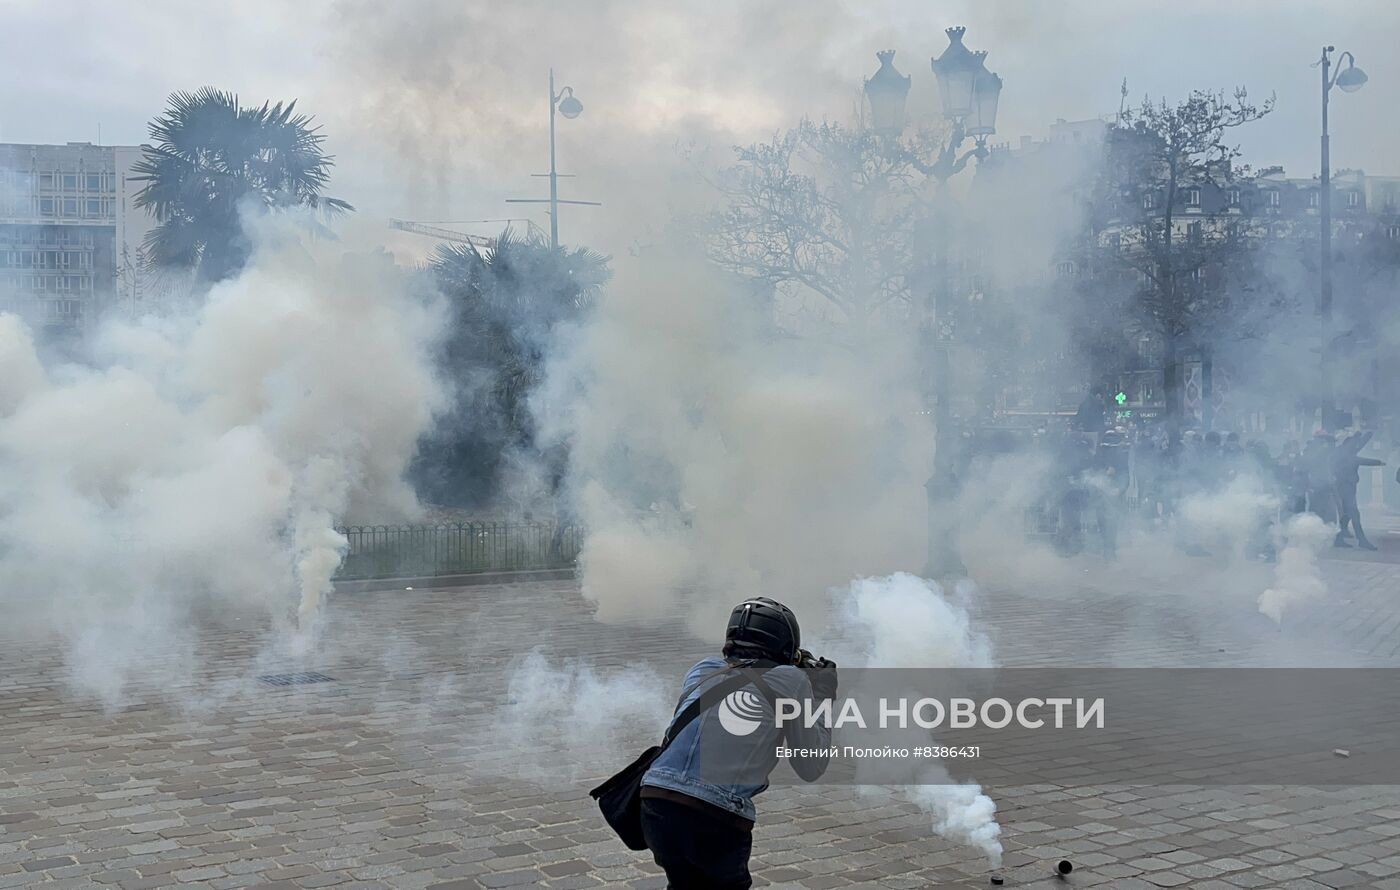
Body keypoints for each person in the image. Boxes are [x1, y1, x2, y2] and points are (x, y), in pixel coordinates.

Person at [640, 598, 836, 888]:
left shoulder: (702, 668)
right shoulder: (792, 680)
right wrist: (821, 693)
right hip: (714, 814)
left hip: (655, 802)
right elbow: (811, 764)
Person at [1333, 430, 1386, 550]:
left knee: (1346, 514)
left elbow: (1360, 443)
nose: (1356, 445)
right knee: (1354, 514)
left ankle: (1339, 537)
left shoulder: (1342, 450)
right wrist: (1378, 462)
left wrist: (1367, 433)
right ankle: (1361, 540)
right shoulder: (1346, 454)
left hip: (1346, 487)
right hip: (1346, 487)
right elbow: (1357, 460)